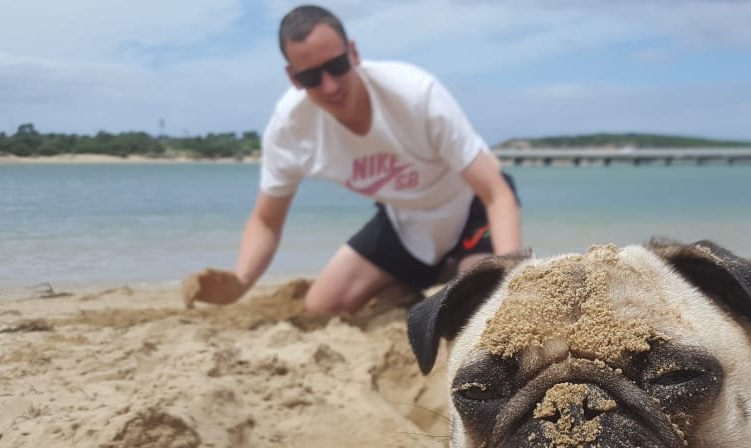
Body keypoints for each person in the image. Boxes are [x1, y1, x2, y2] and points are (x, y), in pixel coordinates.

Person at [183, 4, 523, 313]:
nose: (330, 86)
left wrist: (511, 283)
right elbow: (266, 220)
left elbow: (497, 194)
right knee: (322, 306)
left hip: (470, 205)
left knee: (479, 298)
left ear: (354, 53)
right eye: (311, 77)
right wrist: (241, 282)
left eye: (336, 66)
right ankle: (416, 283)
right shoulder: (290, 129)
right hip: (404, 219)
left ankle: (461, 273)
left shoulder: (415, 94)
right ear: (293, 78)